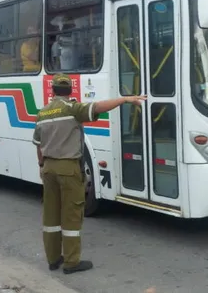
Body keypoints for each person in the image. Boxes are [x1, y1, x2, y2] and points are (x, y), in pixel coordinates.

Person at [32, 73, 146, 274]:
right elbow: (99, 107)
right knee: (71, 215)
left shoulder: (43, 113)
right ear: (70, 91)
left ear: (53, 90)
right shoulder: (73, 109)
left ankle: (53, 259)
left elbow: (38, 145)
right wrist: (125, 99)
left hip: (48, 169)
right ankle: (71, 262)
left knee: (50, 215)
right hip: (68, 168)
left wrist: (42, 165)